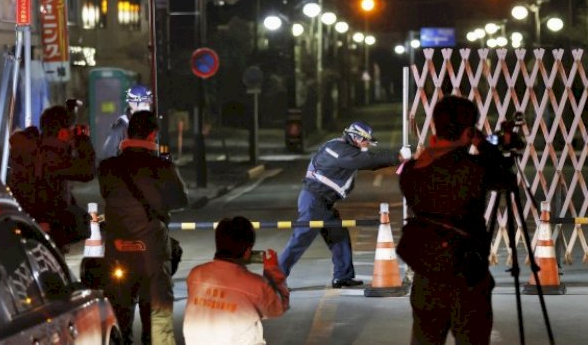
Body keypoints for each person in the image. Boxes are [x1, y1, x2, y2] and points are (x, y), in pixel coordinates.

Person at [398, 95, 511, 345]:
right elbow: (504, 179)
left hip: (427, 275)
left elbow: (432, 166)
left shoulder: (411, 172)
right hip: (468, 278)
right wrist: (483, 144)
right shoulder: (474, 169)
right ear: (468, 131)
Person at [278, 121, 408, 288]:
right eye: (365, 140)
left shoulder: (346, 150)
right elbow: (368, 161)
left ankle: (343, 276)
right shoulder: (338, 149)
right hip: (314, 201)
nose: (367, 144)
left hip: (323, 202)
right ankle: (275, 279)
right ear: (355, 137)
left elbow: (366, 159)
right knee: (299, 241)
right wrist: (398, 157)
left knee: (338, 236)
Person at [98, 110, 189, 345]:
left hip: (117, 252)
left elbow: (107, 194)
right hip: (152, 254)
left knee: (119, 320)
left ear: (127, 133)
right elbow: (180, 200)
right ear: (153, 135)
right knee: (157, 321)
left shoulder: (108, 168)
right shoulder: (161, 167)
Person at [183, 216, 289, 345]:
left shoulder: (195, 274)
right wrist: (272, 270)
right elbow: (278, 308)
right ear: (247, 252)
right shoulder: (256, 284)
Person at [8, 105, 96, 250]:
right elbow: (87, 171)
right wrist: (83, 140)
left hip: (31, 226)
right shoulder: (52, 156)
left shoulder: (33, 150)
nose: (73, 136)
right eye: (71, 131)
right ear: (62, 133)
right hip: (44, 230)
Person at [99, 84, 153, 161]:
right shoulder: (121, 126)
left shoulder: (149, 124)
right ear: (133, 104)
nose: (147, 107)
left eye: (148, 103)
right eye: (144, 103)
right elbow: (109, 155)